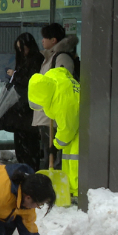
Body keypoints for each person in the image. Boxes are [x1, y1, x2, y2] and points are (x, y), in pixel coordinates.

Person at [0, 33, 44, 170]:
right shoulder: (25, 59)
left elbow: (31, 80)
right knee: (21, 139)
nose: (21, 52)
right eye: (18, 49)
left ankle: (29, 166)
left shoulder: (36, 59)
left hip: (27, 106)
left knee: (28, 139)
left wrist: (16, 75)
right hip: (21, 106)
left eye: (22, 48)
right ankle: (24, 164)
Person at [29, 67, 80, 197]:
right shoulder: (52, 76)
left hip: (81, 124)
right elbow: (64, 71)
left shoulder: (63, 104)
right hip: (76, 117)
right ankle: (71, 188)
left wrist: (55, 146)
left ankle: (76, 191)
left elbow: (67, 131)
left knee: (74, 157)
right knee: (68, 155)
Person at [33, 23, 79, 170]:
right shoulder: (50, 57)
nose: (42, 41)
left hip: (54, 114)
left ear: (53, 40)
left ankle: (55, 178)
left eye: (45, 38)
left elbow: (63, 85)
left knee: (54, 152)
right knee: (48, 150)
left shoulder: (61, 58)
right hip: (47, 112)